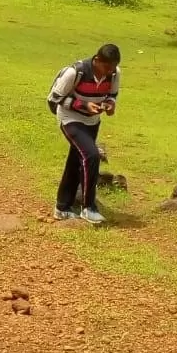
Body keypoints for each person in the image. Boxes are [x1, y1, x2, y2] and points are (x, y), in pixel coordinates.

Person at [48, 43, 121, 225]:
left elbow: (112, 94)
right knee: (91, 155)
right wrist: (83, 105)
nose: (108, 72)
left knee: (76, 160)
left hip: (92, 122)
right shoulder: (75, 72)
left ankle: (62, 207)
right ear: (96, 60)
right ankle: (89, 207)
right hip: (69, 119)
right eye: (106, 67)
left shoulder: (114, 73)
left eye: (112, 68)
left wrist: (110, 105)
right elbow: (54, 98)